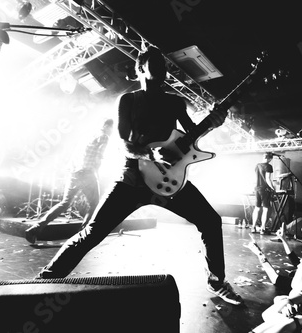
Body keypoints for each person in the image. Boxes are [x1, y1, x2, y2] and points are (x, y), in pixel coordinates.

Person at [33, 46, 242, 305]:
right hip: (133, 179)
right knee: (93, 233)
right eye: (155, 63)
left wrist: (214, 122)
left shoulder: (176, 102)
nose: (163, 68)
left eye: (164, 64)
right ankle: (43, 280)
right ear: (140, 68)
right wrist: (151, 156)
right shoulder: (129, 101)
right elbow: (123, 144)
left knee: (210, 221)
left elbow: (192, 137)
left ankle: (216, 281)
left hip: (169, 183)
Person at [24, 118, 114, 243]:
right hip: (87, 173)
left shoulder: (88, 134)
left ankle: (36, 228)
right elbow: (98, 158)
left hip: (74, 173)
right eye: (112, 128)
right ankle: (83, 236)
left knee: (64, 203)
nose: (112, 132)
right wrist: (96, 174)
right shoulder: (104, 137)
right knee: (94, 204)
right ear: (107, 126)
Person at [252, 152, 276, 234]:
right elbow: (268, 179)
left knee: (257, 208)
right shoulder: (268, 166)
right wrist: (273, 188)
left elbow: (255, 178)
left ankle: (253, 227)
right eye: (270, 159)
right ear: (269, 159)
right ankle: (262, 228)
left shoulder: (257, 165)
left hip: (257, 188)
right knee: (265, 209)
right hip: (264, 189)